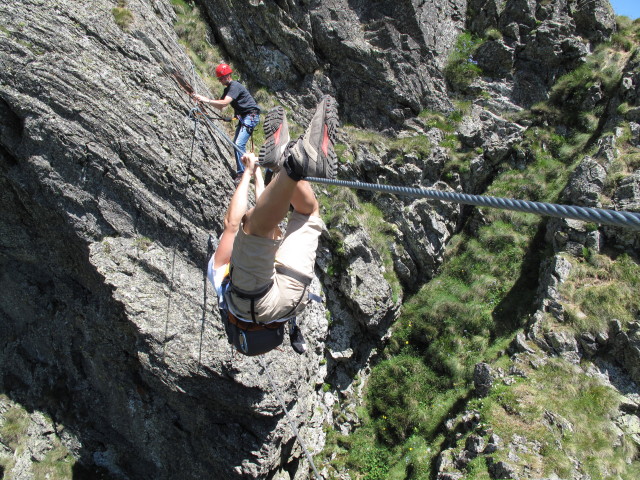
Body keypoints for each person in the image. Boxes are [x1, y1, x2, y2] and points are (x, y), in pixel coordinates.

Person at [207, 95, 339, 355]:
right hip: (254, 302)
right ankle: (292, 163)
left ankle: (288, 164)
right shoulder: (220, 276)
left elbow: (266, 209)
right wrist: (247, 173)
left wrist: (259, 174)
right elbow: (234, 224)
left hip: (289, 303)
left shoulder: (231, 280)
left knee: (308, 213)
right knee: (253, 230)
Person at [192, 63, 261, 180]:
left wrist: (205, 99)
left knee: (239, 144)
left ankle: (243, 173)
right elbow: (220, 106)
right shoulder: (228, 89)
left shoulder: (234, 86)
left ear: (226, 76)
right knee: (236, 143)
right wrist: (202, 101)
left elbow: (224, 103)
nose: (219, 81)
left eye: (220, 78)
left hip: (250, 116)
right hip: (245, 117)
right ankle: (243, 171)